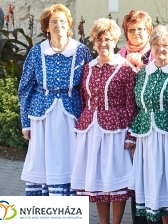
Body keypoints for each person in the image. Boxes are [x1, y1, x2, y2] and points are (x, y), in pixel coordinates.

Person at [18, 4, 93, 196]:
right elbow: (25, 88)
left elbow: (88, 87)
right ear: (46, 27)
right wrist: (25, 123)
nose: (58, 25)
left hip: (71, 115)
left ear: (69, 25)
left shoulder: (81, 51)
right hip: (42, 117)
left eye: (62, 21)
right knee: (43, 163)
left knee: (70, 161)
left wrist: (88, 121)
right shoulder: (37, 52)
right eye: (53, 22)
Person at [71, 18, 137, 224]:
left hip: (116, 130)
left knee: (114, 180)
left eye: (107, 39)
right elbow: (83, 98)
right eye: (99, 40)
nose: (103, 44)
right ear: (93, 42)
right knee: (98, 180)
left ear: (115, 40)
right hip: (91, 130)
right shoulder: (88, 68)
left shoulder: (125, 68)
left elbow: (131, 105)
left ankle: (116, 222)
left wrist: (130, 135)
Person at [129, 25, 168, 224]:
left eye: (165, 45)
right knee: (157, 184)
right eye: (156, 44)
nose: (160, 49)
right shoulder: (144, 72)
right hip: (148, 137)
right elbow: (138, 105)